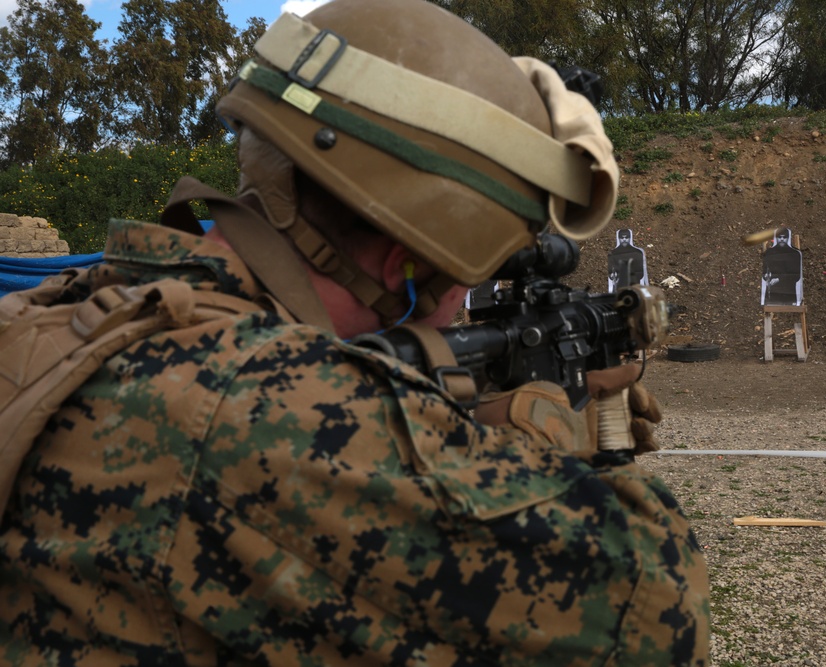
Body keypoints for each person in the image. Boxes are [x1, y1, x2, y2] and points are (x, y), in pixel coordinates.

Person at [0, 1, 709, 665]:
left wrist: (475, 428)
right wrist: (548, 430)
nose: (462, 308)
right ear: (403, 264)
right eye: (470, 277)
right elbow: (657, 606)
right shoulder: (261, 407)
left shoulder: (86, 307)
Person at [761, 227, 803, 306]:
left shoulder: (795, 254)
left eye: (784, 237)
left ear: (788, 238)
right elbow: (765, 272)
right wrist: (767, 276)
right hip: (772, 294)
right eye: (779, 237)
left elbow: (796, 276)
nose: (782, 239)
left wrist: (779, 279)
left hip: (789, 293)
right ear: (776, 238)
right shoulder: (769, 253)